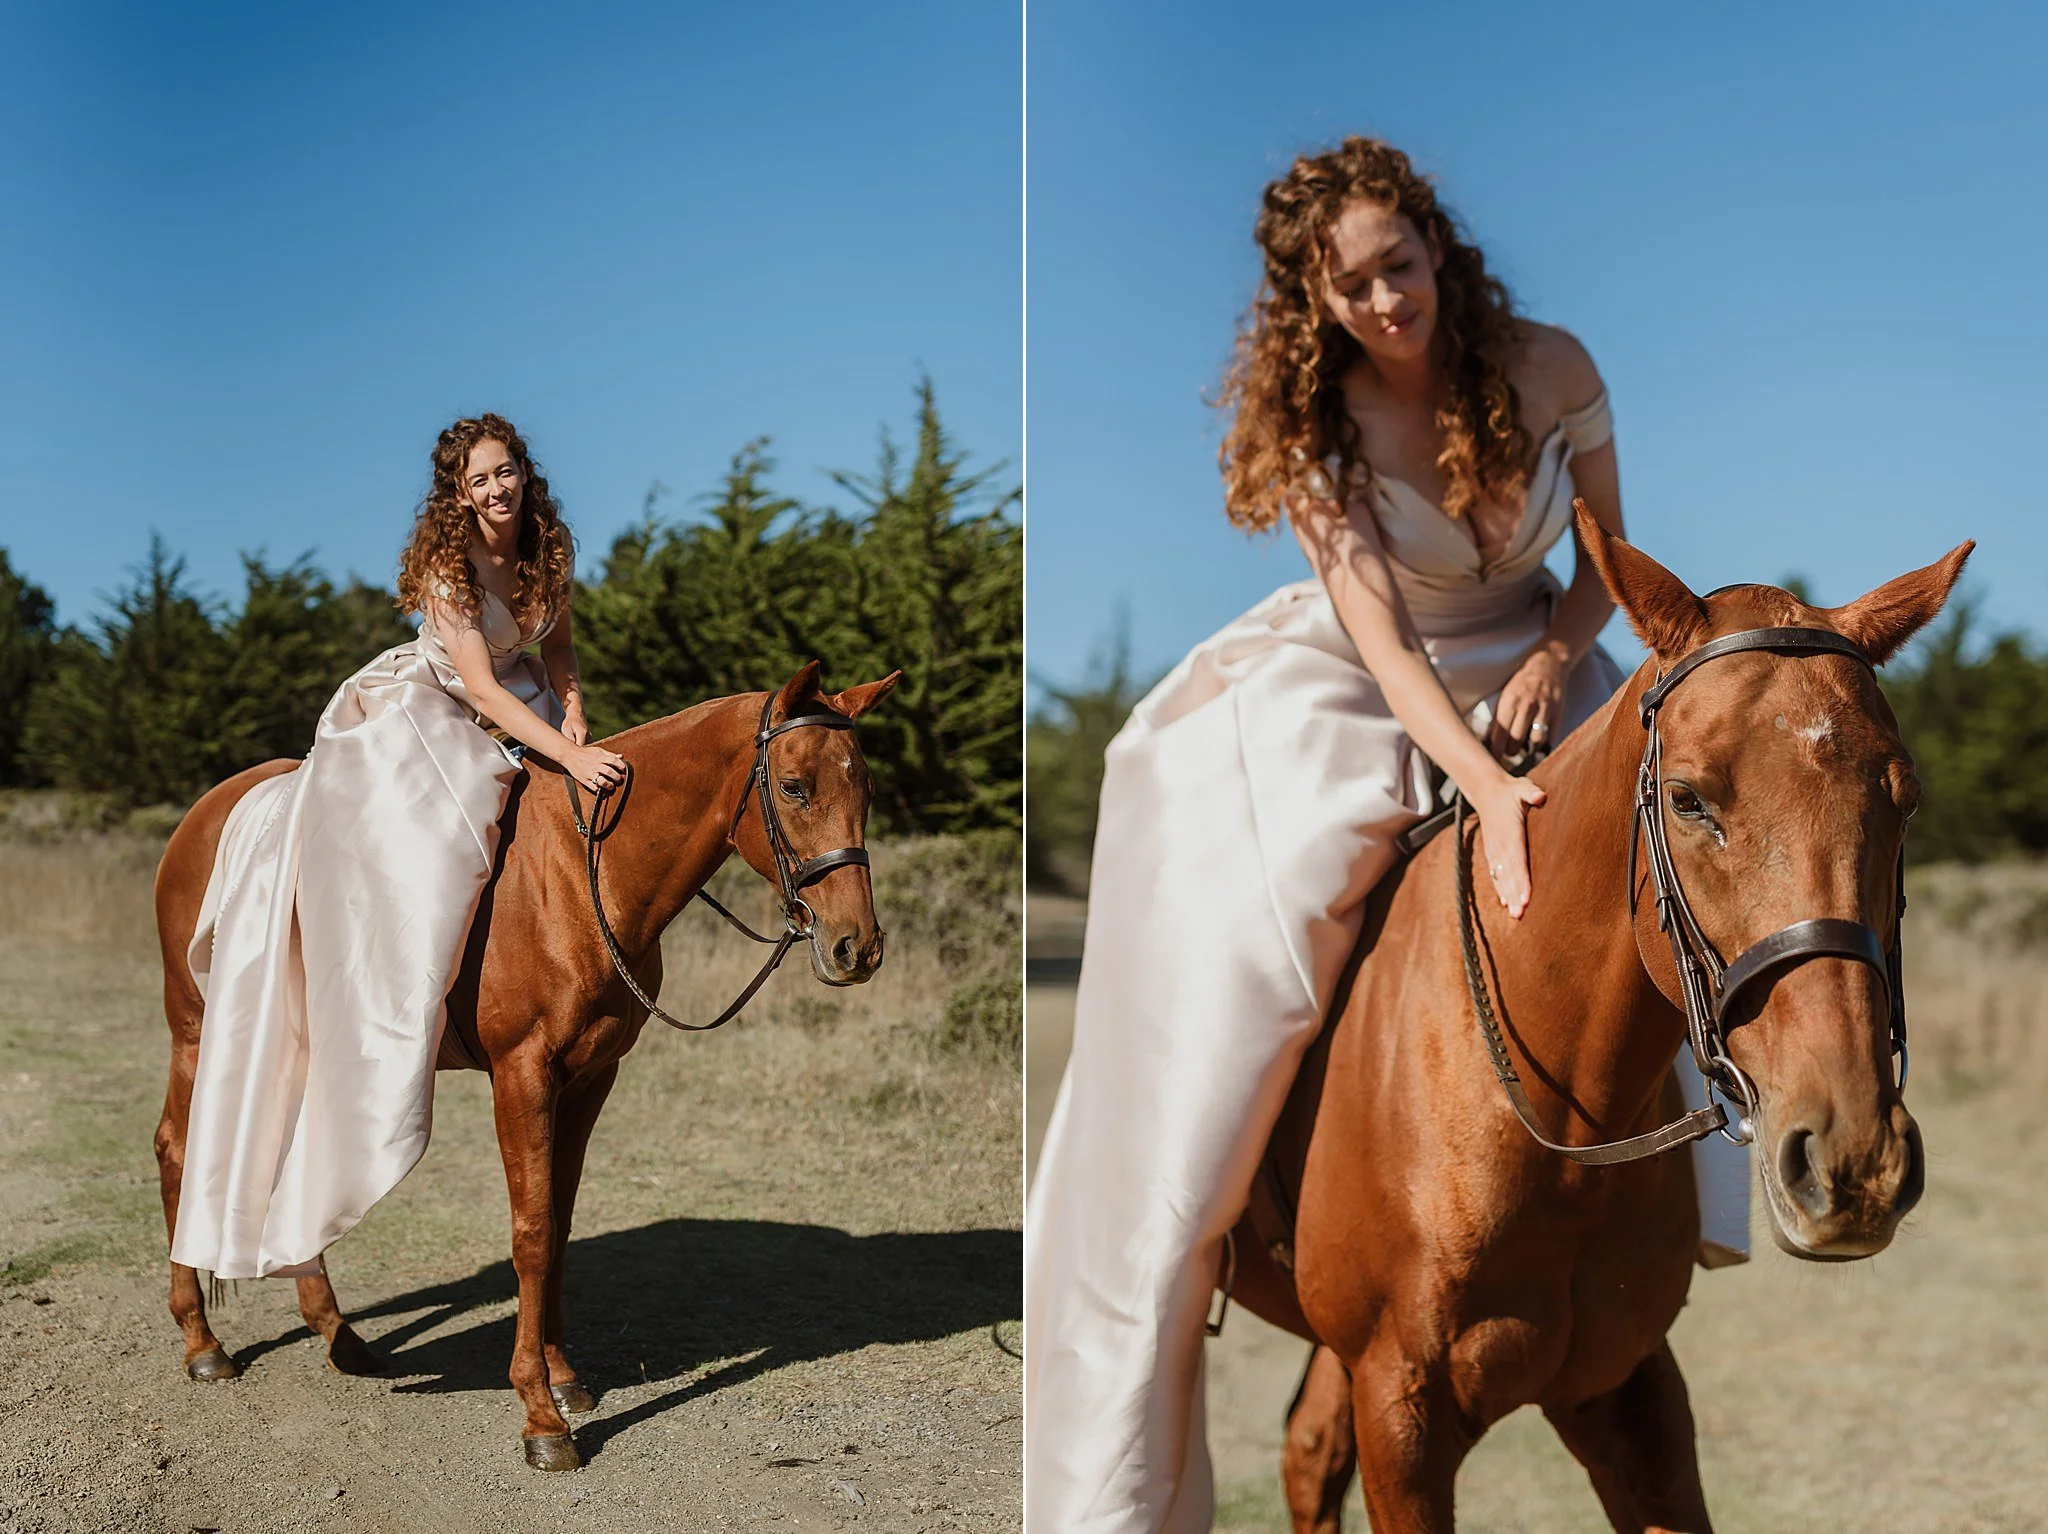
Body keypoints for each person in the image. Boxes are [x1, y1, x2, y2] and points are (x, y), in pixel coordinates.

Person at [1024, 137, 1750, 1532]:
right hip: (1369, 678)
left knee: (1669, 873)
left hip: (1546, 647)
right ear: (1317, 302)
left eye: (1397, 266)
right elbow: (1385, 640)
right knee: (1274, 899)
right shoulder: (1323, 432)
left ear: (1437, 245)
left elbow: (1613, 561)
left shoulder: (1555, 365)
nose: (1382, 303)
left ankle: (1714, 1159)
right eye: (1347, 287)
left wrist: (1556, 650)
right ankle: (1219, 1196)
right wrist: (1481, 782)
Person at [170, 414, 627, 1282]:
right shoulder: (448, 570)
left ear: (525, 474)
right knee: (432, 838)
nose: (497, 490)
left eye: (507, 473)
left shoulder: (549, 549)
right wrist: (564, 753)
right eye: (479, 481)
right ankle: (388, 994)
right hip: (444, 706)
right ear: (458, 494)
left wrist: (572, 710)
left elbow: (557, 651)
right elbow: (483, 687)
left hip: (523, 699)